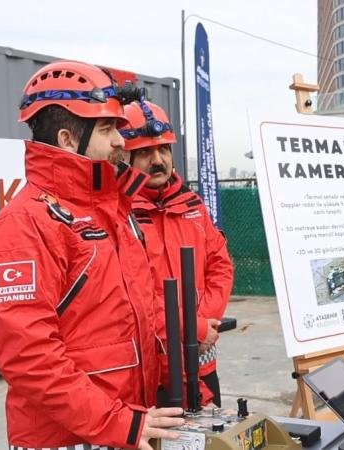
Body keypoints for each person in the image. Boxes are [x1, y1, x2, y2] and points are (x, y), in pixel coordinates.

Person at [0, 60, 185, 449]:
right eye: (107, 129)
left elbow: (142, 317)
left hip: (126, 425)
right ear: (68, 139)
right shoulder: (22, 227)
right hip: (67, 438)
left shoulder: (115, 212)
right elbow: (29, 358)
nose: (121, 141)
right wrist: (118, 423)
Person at [120, 98, 234, 407]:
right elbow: (135, 295)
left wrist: (204, 322)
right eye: (145, 152)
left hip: (201, 361)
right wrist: (194, 327)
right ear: (125, 157)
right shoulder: (119, 214)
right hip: (151, 373)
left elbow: (220, 266)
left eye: (163, 149)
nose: (157, 160)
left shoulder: (192, 206)